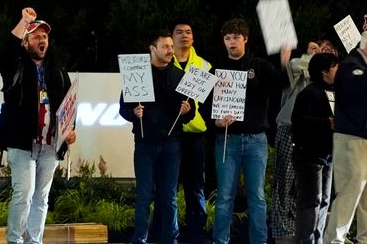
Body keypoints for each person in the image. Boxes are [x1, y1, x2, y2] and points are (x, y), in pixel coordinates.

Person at [0, 7, 77, 244]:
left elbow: (70, 103)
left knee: (42, 197)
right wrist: (24, 21)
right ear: (26, 41)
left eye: (45, 36)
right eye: (36, 36)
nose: (42, 40)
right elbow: (6, 51)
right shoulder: (15, 67)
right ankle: (15, 240)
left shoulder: (57, 68)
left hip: (51, 144)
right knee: (24, 194)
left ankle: (35, 241)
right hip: (22, 142)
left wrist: (70, 130)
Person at [204, 18, 289, 244]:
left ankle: (259, 241)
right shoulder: (216, 69)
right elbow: (204, 105)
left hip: (256, 141)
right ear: (223, 41)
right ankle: (220, 240)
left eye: (236, 37)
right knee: (224, 197)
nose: (232, 42)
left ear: (246, 39)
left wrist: (285, 59)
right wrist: (216, 122)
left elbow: (281, 83)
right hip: (226, 141)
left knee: (257, 197)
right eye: (227, 38)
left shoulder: (259, 66)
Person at [119, 30, 195, 244]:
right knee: (144, 196)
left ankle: (171, 239)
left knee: (169, 197)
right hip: (144, 144)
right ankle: (139, 239)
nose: (171, 50)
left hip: (172, 144)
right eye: (165, 47)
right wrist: (134, 113)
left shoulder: (180, 76)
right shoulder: (137, 74)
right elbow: (123, 108)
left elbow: (192, 113)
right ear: (152, 49)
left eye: (171, 46)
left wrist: (187, 110)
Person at [323, 28, 367, 244]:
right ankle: (334, 239)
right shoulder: (350, 66)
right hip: (352, 140)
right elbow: (358, 91)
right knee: (350, 193)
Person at [169, 19, 211, 243]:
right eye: (179, 32)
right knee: (169, 186)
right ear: (171, 37)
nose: (184, 35)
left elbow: (209, 103)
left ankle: (196, 232)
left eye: (188, 32)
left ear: (193, 38)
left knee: (195, 185)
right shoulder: (165, 64)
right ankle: (170, 232)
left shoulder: (204, 66)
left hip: (195, 134)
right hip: (171, 134)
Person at [291, 52, 338, 244]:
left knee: (324, 201)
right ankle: (306, 241)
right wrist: (326, 122)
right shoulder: (309, 93)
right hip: (309, 157)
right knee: (311, 203)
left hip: (327, 156)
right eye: (336, 67)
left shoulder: (333, 91)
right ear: (324, 72)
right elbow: (298, 121)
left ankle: (317, 240)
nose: (339, 71)